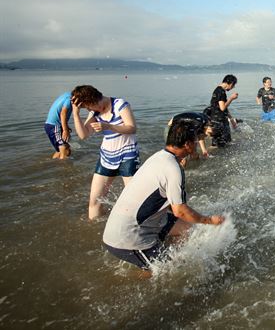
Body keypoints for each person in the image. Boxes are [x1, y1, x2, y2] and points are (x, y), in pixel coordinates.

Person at [103, 120, 225, 272]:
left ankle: (167, 252)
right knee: (168, 271)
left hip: (130, 223)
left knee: (187, 228)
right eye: (194, 141)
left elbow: (167, 204)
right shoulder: (173, 169)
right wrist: (209, 220)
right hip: (128, 237)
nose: (197, 144)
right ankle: (153, 268)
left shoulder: (159, 157)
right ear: (187, 144)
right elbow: (179, 211)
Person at [71, 85, 139, 220]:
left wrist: (109, 126)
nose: (88, 110)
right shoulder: (94, 113)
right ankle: (94, 233)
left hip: (128, 155)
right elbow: (83, 135)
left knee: (133, 200)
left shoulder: (120, 104)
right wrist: (75, 114)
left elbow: (132, 128)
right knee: (95, 202)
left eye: (88, 107)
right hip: (106, 157)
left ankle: (133, 228)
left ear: (93, 100)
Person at [208, 74, 238, 147]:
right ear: (230, 83)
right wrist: (231, 98)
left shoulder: (218, 90)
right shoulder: (221, 92)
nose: (233, 87)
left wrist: (231, 119)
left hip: (217, 120)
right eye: (233, 85)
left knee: (225, 143)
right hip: (219, 121)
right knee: (219, 145)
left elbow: (222, 108)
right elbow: (222, 108)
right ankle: (207, 155)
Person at [44, 92, 73, 159]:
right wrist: (65, 130)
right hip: (54, 126)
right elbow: (63, 113)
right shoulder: (70, 99)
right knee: (64, 148)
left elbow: (58, 112)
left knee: (63, 150)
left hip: (52, 125)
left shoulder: (67, 95)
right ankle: (63, 167)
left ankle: (52, 164)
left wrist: (66, 126)